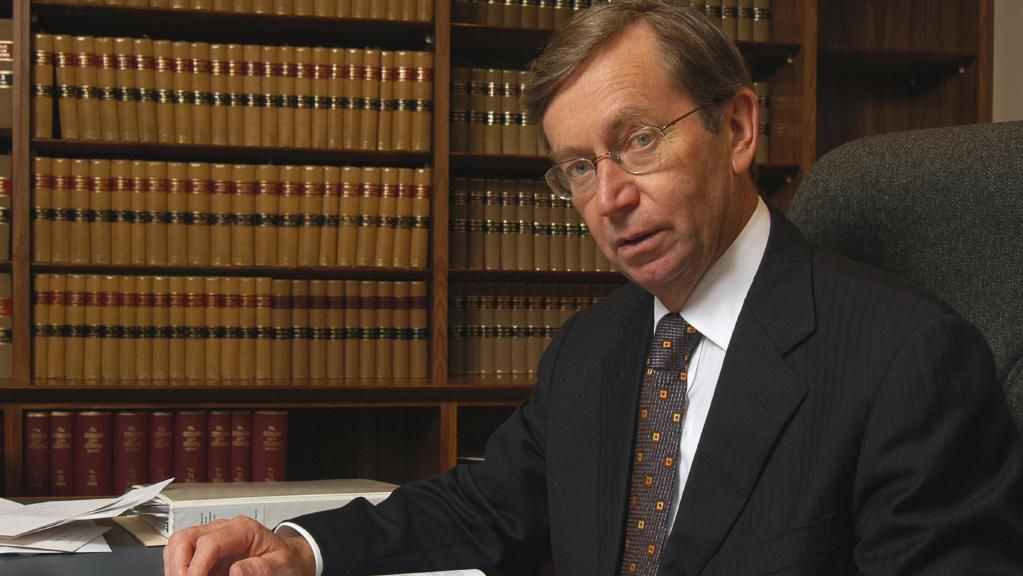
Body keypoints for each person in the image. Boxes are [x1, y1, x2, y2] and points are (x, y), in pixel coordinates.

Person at [164, 2, 1023, 575]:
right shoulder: (594, 346)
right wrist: (298, 549)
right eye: (578, 166)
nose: (608, 198)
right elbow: (488, 507)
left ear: (736, 128)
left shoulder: (907, 359)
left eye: (638, 140)